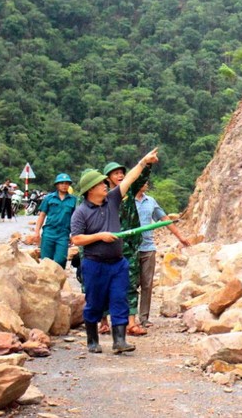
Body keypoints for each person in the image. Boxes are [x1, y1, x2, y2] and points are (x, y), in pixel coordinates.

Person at [71, 148, 156, 355]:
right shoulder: (80, 212)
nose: (105, 185)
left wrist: (144, 162)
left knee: (120, 299)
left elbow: (129, 180)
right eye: (101, 183)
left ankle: (120, 341)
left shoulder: (112, 200)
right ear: (91, 189)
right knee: (95, 302)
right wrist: (101, 235)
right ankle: (92, 341)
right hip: (94, 264)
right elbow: (76, 239)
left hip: (118, 263)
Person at [135, 180, 189, 328]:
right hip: (130, 248)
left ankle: (144, 317)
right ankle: (128, 318)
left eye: (146, 181)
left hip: (148, 247)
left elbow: (164, 219)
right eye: (142, 180)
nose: (145, 183)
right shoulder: (125, 201)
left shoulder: (150, 201)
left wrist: (180, 237)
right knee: (130, 284)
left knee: (147, 283)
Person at [102, 161, 147, 337]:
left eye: (122, 173)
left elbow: (140, 178)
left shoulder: (129, 191)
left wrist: (147, 165)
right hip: (108, 245)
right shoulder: (104, 196)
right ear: (108, 178)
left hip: (129, 245)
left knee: (130, 283)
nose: (120, 176)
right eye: (115, 173)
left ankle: (131, 322)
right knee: (105, 283)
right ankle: (104, 320)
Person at [34, 173, 77, 268]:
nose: (64, 185)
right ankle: (45, 281)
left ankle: (58, 280)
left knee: (61, 259)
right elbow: (42, 215)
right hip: (49, 232)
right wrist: (37, 232)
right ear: (57, 185)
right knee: (45, 260)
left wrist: (74, 234)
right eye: (62, 183)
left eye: (66, 183)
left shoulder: (73, 200)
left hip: (63, 234)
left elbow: (75, 219)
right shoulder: (49, 198)